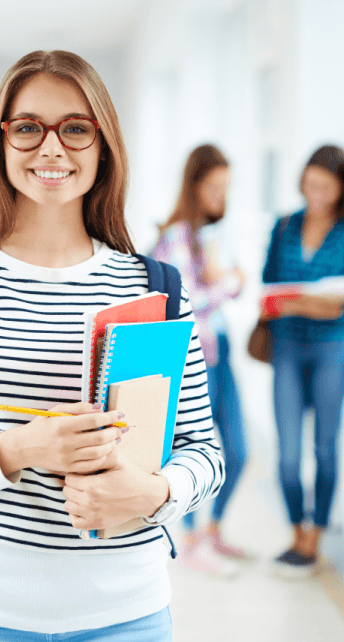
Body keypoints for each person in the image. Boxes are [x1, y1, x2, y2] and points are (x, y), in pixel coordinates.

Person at [0, 50, 223, 642]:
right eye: (29, 126)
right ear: (1, 141)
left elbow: (205, 453)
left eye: (76, 128)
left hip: (128, 622)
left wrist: (153, 492)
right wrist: (21, 449)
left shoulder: (157, 288)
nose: (52, 149)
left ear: (103, 144)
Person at [261, 145, 344, 575]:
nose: (316, 193)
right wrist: (314, 302)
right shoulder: (285, 225)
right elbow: (270, 292)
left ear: (342, 187)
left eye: (325, 186)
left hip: (335, 349)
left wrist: (299, 302)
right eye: (310, 184)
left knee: (325, 447)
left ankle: (316, 534)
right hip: (287, 347)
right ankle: (295, 533)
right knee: (288, 453)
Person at [151, 144, 249, 574]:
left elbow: (222, 279)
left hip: (221, 349)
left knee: (240, 452)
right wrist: (231, 283)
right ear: (193, 186)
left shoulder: (211, 233)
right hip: (194, 357)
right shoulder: (173, 239)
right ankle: (189, 539)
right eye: (213, 186)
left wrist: (229, 279)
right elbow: (184, 306)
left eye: (226, 187)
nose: (220, 196)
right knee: (190, 449)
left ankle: (213, 531)